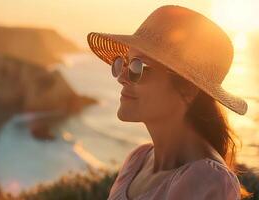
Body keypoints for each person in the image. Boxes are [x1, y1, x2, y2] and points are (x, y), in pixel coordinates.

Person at [86, 5, 250, 200]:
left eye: (139, 67)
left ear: (188, 89)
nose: (122, 77)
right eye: (125, 62)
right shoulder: (137, 159)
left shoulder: (209, 181)